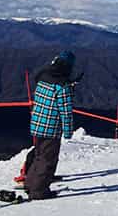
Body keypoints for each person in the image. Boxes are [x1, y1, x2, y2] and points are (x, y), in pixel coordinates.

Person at [25, 50, 82, 199]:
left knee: (38, 155)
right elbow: (66, 112)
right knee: (48, 160)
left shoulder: (43, 77)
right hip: (51, 129)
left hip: (36, 124)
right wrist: (68, 132)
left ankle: (30, 183)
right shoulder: (63, 87)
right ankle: (39, 191)